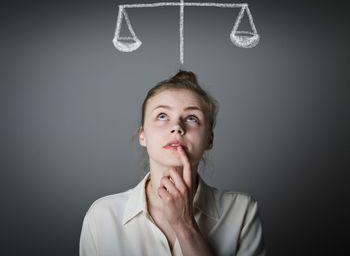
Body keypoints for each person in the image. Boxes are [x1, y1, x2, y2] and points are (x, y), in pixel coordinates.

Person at [79, 70, 265, 256]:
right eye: (162, 116)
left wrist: (185, 225)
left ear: (209, 139)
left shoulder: (241, 211)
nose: (177, 127)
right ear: (143, 135)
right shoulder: (102, 216)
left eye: (192, 118)